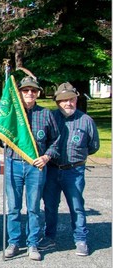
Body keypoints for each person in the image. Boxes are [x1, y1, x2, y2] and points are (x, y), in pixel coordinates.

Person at [39, 82, 99, 256]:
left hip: (74, 171)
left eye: (71, 99)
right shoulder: (51, 117)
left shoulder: (86, 120)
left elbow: (93, 146)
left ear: (76, 99)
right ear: (58, 102)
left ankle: (81, 239)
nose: (68, 104)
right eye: (63, 101)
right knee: (50, 206)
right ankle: (49, 237)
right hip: (52, 168)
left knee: (77, 206)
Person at [4, 76, 60, 261]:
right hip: (14, 163)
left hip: (36, 167)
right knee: (13, 207)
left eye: (33, 91)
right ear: (19, 92)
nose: (29, 93)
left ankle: (32, 243)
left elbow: (55, 140)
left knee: (34, 207)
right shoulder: (12, 113)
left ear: (38, 93)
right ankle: (13, 242)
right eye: (26, 90)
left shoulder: (46, 114)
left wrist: (46, 156)